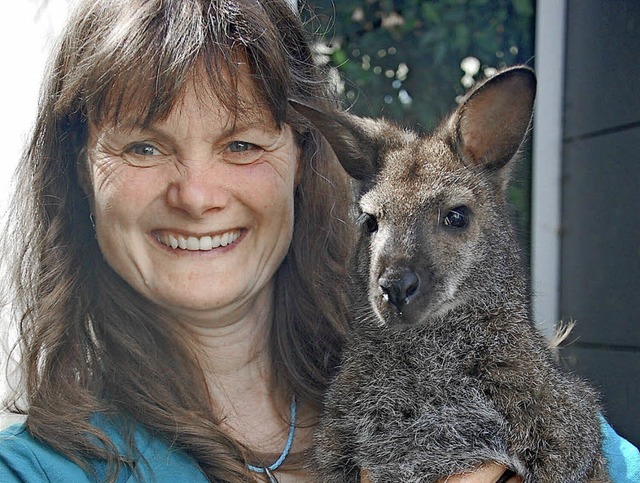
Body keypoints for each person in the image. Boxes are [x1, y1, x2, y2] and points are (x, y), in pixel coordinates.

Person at [0, 1, 637, 482]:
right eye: (143, 146)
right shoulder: (35, 469)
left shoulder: (505, 378)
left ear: (304, 162)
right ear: (78, 174)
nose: (196, 196)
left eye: (241, 144)